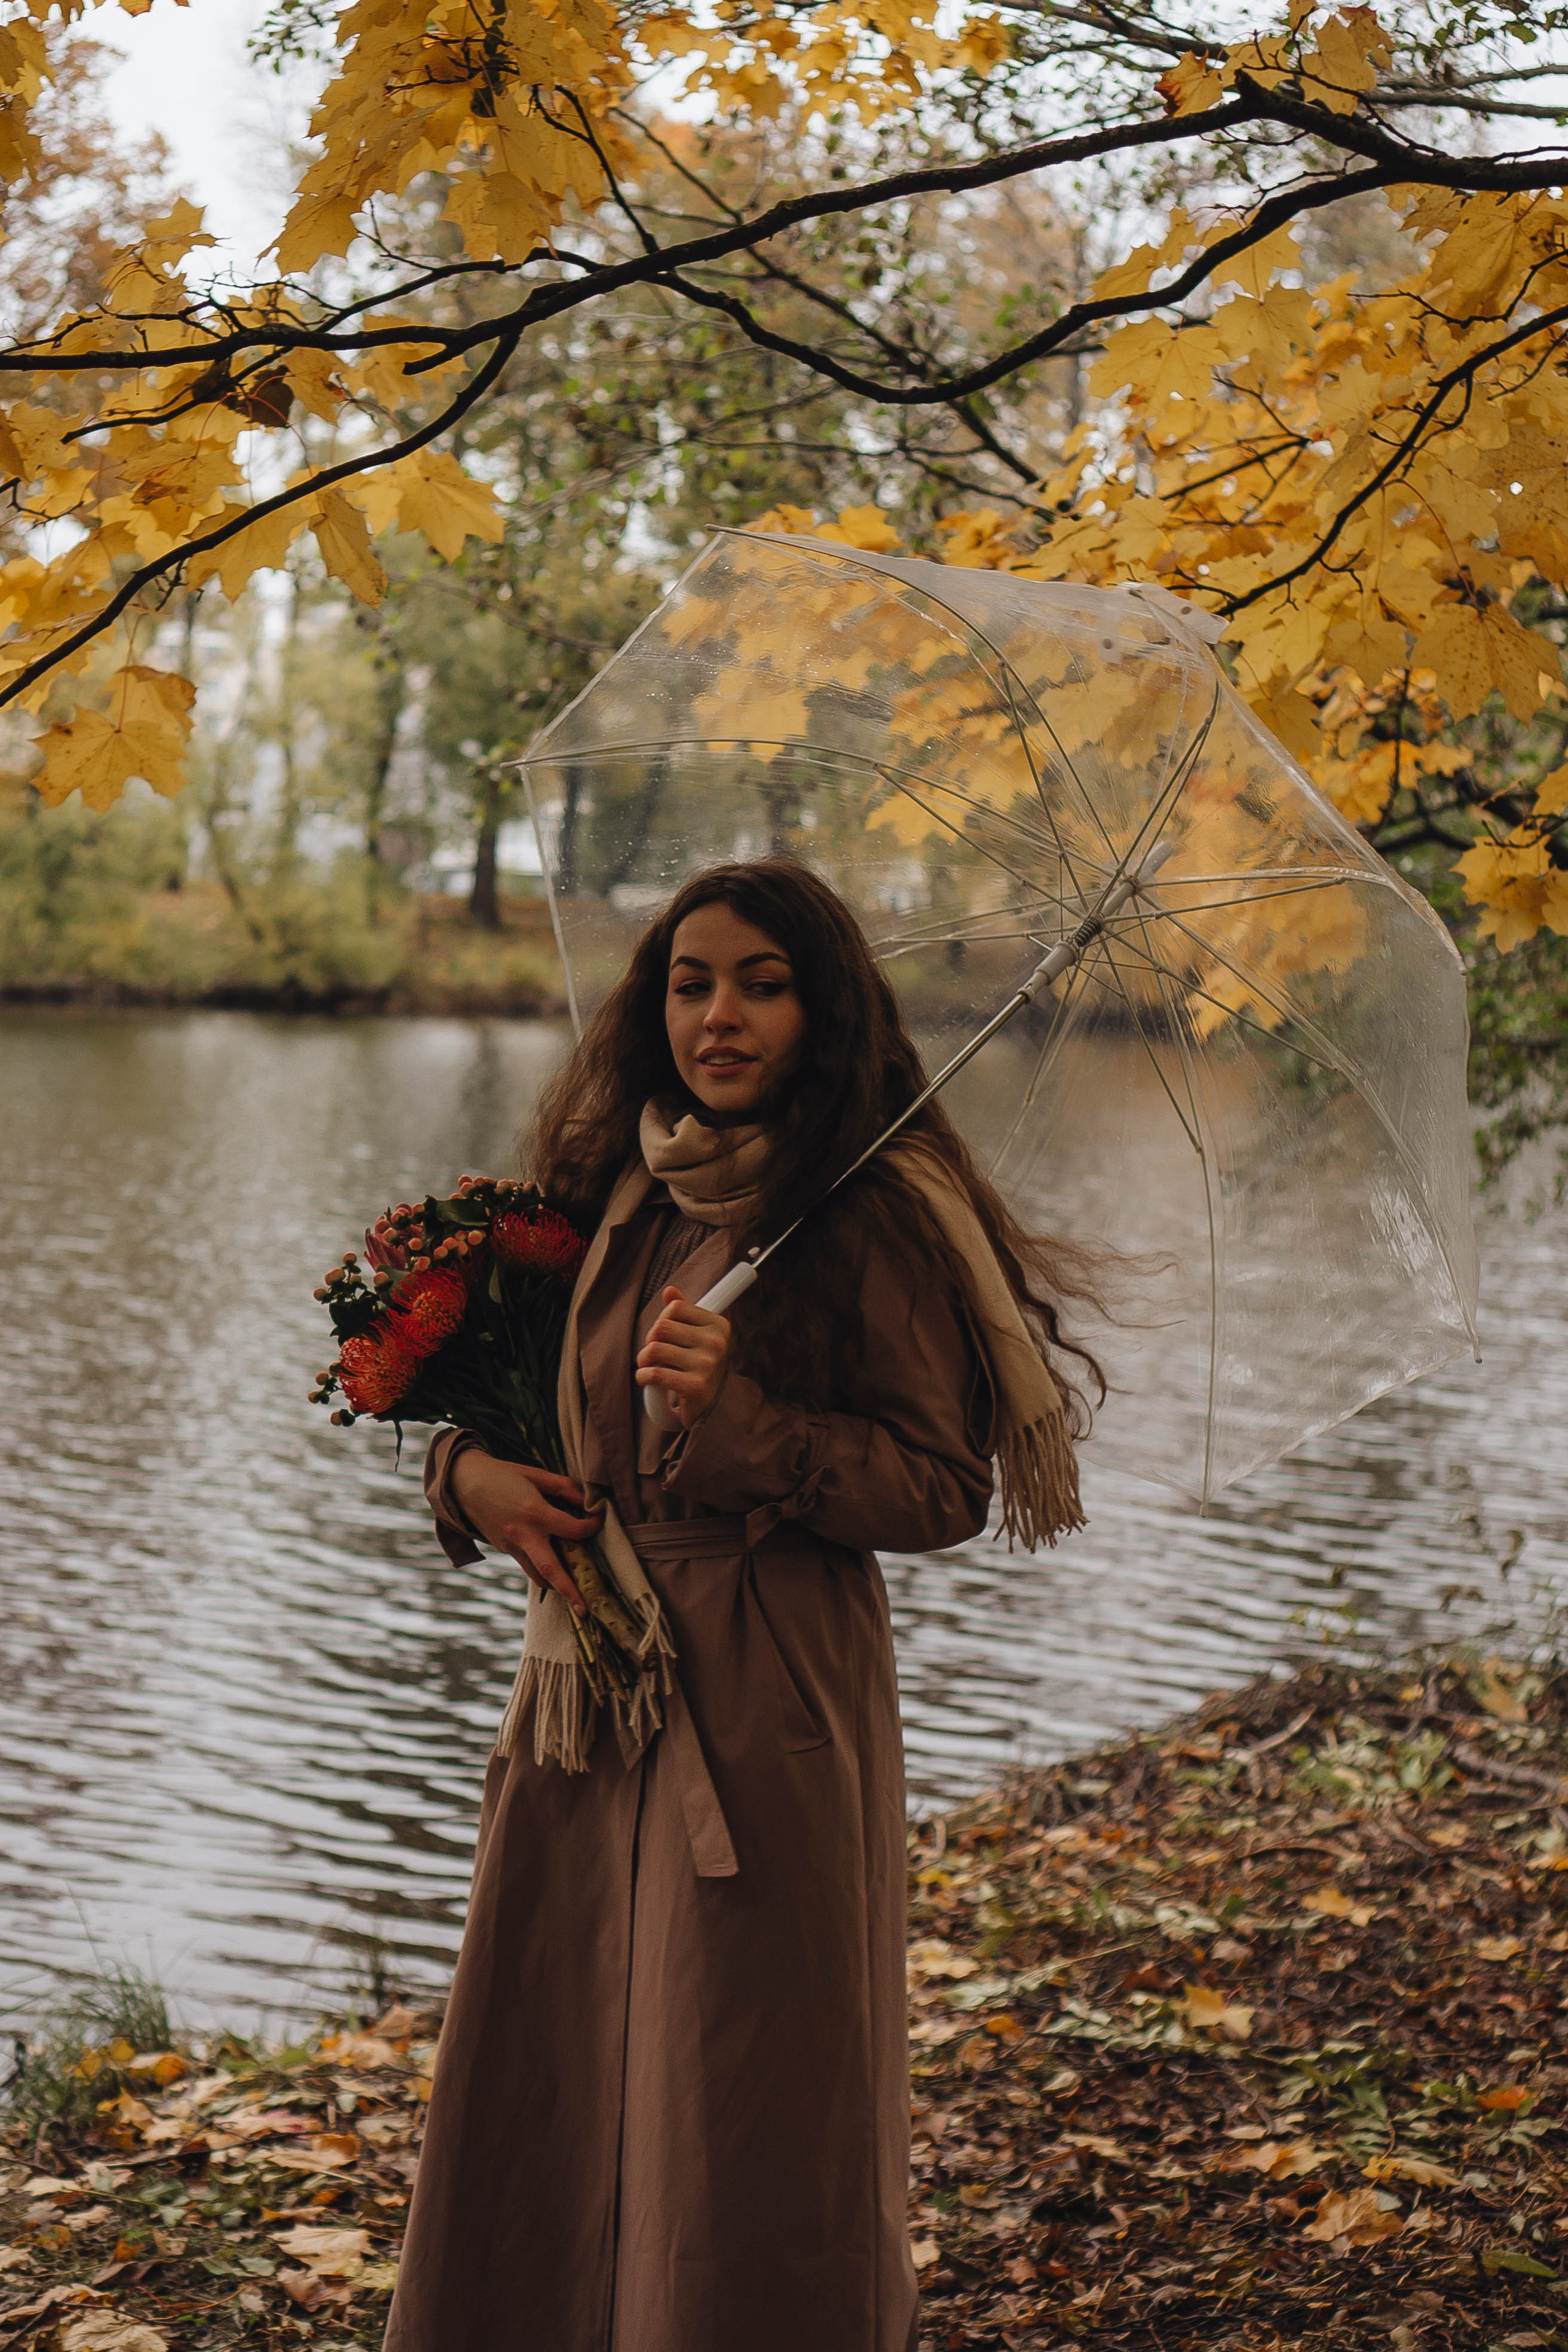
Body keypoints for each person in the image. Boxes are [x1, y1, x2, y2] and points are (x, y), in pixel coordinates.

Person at [383, 859, 1102, 2352]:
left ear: (820, 1011)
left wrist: (744, 1423)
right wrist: (468, 1481)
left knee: (737, 2082)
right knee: (555, 2052)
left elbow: (939, 1488)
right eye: (691, 982)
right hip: (589, 1691)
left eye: (761, 986)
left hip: (769, 1701)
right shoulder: (607, 1189)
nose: (718, 1016)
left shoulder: (870, 1211)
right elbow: (502, 1414)